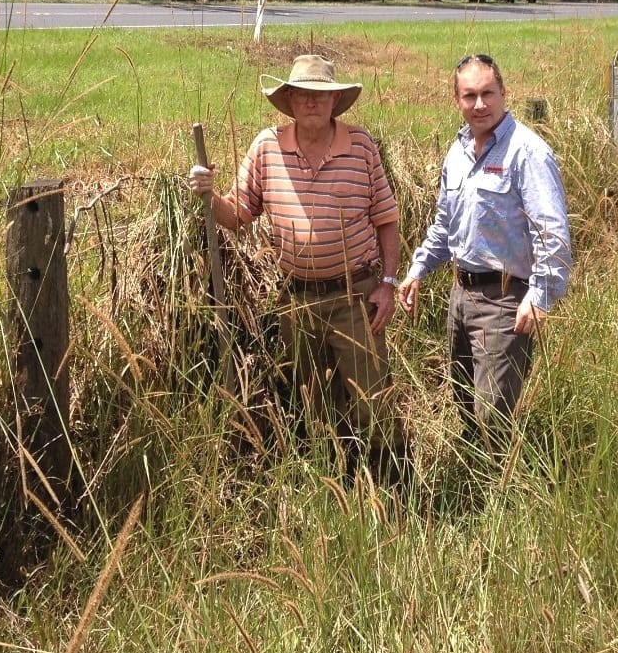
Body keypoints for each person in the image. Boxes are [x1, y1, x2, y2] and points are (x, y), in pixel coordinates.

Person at [189, 54, 404, 478]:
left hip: (355, 296)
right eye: (303, 94)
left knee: (373, 401)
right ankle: (333, 485)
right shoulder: (267, 147)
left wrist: (388, 283)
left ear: (335, 100)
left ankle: (393, 489)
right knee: (314, 402)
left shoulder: (360, 146)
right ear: (288, 99)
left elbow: (387, 219)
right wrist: (209, 195)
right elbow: (237, 216)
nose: (311, 102)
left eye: (321, 94)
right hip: (297, 299)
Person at [398, 54, 572, 448]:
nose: (480, 105)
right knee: (463, 399)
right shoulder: (457, 152)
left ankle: (503, 496)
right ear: (456, 100)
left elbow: (552, 232)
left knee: (493, 412)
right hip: (461, 295)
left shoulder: (527, 152)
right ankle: (475, 486)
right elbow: (445, 225)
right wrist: (417, 271)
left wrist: (541, 296)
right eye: (469, 95)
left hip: (505, 299)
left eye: (487, 94)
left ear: (504, 93)